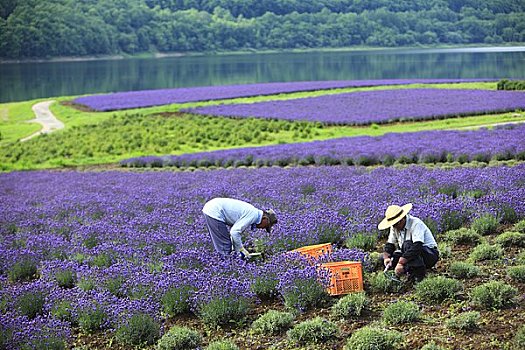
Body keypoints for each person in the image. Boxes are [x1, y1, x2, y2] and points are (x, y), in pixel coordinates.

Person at [378, 203, 439, 282]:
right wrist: (386, 258)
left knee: (407, 244)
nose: (394, 227)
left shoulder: (415, 223)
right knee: (384, 257)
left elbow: (417, 246)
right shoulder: (394, 227)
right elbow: (390, 244)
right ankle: (407, 270)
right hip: (410, 254)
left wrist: (401, 262)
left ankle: (418, 276)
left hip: (429, 254)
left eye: (395, 224)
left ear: (402, 219)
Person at [202, 198, 277, 258]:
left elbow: (234, 233)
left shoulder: (253, 213)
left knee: (226, 245)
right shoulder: (253, 215)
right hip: (215, 211)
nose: (263, 228)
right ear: (265, 218)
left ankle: (228, 264)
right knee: (224, 246)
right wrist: (241, 249)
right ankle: (226, 268)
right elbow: (234, 232)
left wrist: (237, 250)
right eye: (266, 226)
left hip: (212, 208)